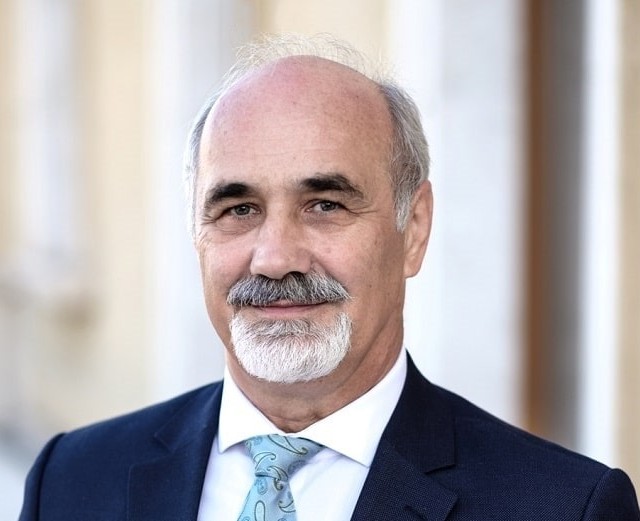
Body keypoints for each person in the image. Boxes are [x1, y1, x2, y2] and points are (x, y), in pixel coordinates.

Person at [19, 34, 639, 521]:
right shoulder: (71, 480)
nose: (274, 259)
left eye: (325, 205)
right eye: (239, 209)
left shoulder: (563, 507)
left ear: (413, 229)